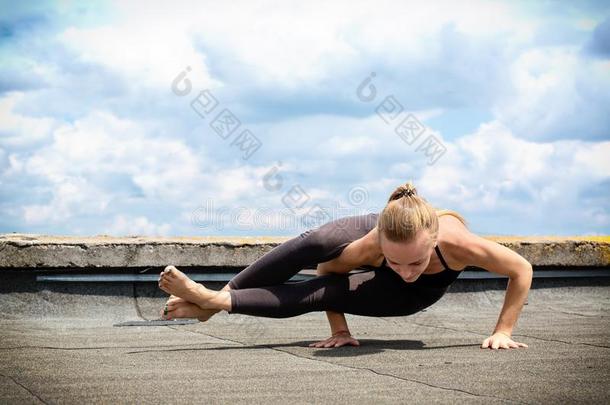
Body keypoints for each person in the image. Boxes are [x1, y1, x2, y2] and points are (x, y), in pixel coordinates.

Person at [158, 181, 532, 350]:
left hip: (409, 298)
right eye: (395, 260)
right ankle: (215, 300)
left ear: (433, 242)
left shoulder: (458, 243)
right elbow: (329, 272)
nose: (404, 269)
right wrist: (340, 329)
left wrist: (503, 330)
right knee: (319, 243)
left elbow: (521, 270)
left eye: (415, 261)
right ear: (381, 244)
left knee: (329, 291)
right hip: (376, 234)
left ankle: (213, 302)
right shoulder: (372, 242)